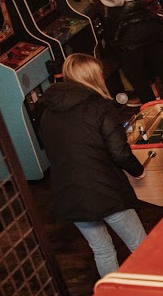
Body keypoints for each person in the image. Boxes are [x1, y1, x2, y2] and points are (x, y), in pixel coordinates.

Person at [36, 55, 148, 278]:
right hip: (105, 190)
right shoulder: (101, 107)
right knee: (141, 246)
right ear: (93, 76)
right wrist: (139, 170)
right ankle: (155, 290)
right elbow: (119, 152)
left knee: (102, 250)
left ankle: (112, 295)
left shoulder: (47, 111)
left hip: (69, 192)